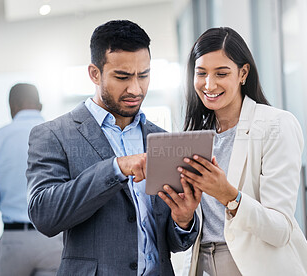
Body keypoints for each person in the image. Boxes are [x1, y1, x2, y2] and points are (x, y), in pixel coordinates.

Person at [26, 20, 201, 276]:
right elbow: (44, 214)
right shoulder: (53, 134)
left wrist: (184, 219)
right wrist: (115, 169)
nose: (136, 89)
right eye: (122, 77)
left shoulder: (160, 138)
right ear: (94, 73)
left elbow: (172, 243)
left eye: (144, 75)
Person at [180, 27, 307, 276]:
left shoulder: (276, 125)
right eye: (201, 73)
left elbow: (280, 230)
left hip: (254, 265)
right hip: (201, 263)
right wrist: (183, 217)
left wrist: (230, 196)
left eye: (221, 73)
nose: (209, 84)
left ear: (243, 73)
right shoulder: (193, 137)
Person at [0, 83, 63, 276]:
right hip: (53, 239)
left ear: (12, 106)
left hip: (14, 241)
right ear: (40, 105)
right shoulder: (61, 134)